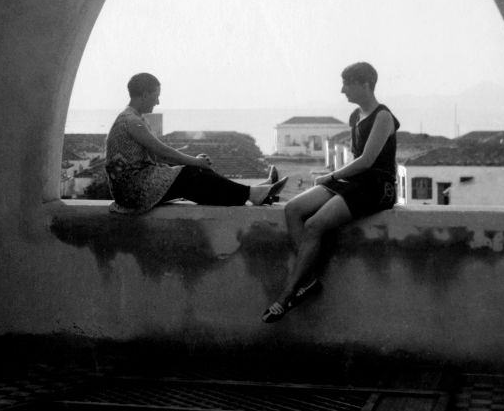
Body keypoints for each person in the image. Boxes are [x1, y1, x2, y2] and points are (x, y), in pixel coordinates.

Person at [262, 62, 400, 323]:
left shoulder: (383, 116)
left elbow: (368, 160)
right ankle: (309, 279)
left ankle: (288, 293)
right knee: (293, 209)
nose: (342, 90)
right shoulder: (356, 116)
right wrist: (335, 178)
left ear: (365, 84)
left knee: (314, 225)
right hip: (355, 182)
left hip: (377, 187)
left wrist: (331, 176)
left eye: (347, 83)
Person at [105, 73, 288, 215]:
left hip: (134, 189)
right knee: (192, 174)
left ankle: (255, 192)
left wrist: (195, 163)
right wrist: (195, 161)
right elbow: (162, 153)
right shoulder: (131, 121)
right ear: (144, 95)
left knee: (197, 177)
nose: (158, 101)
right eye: (156, 96)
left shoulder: (132, 118)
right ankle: (254, 193)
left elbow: (160, 156)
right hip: (133, 191)